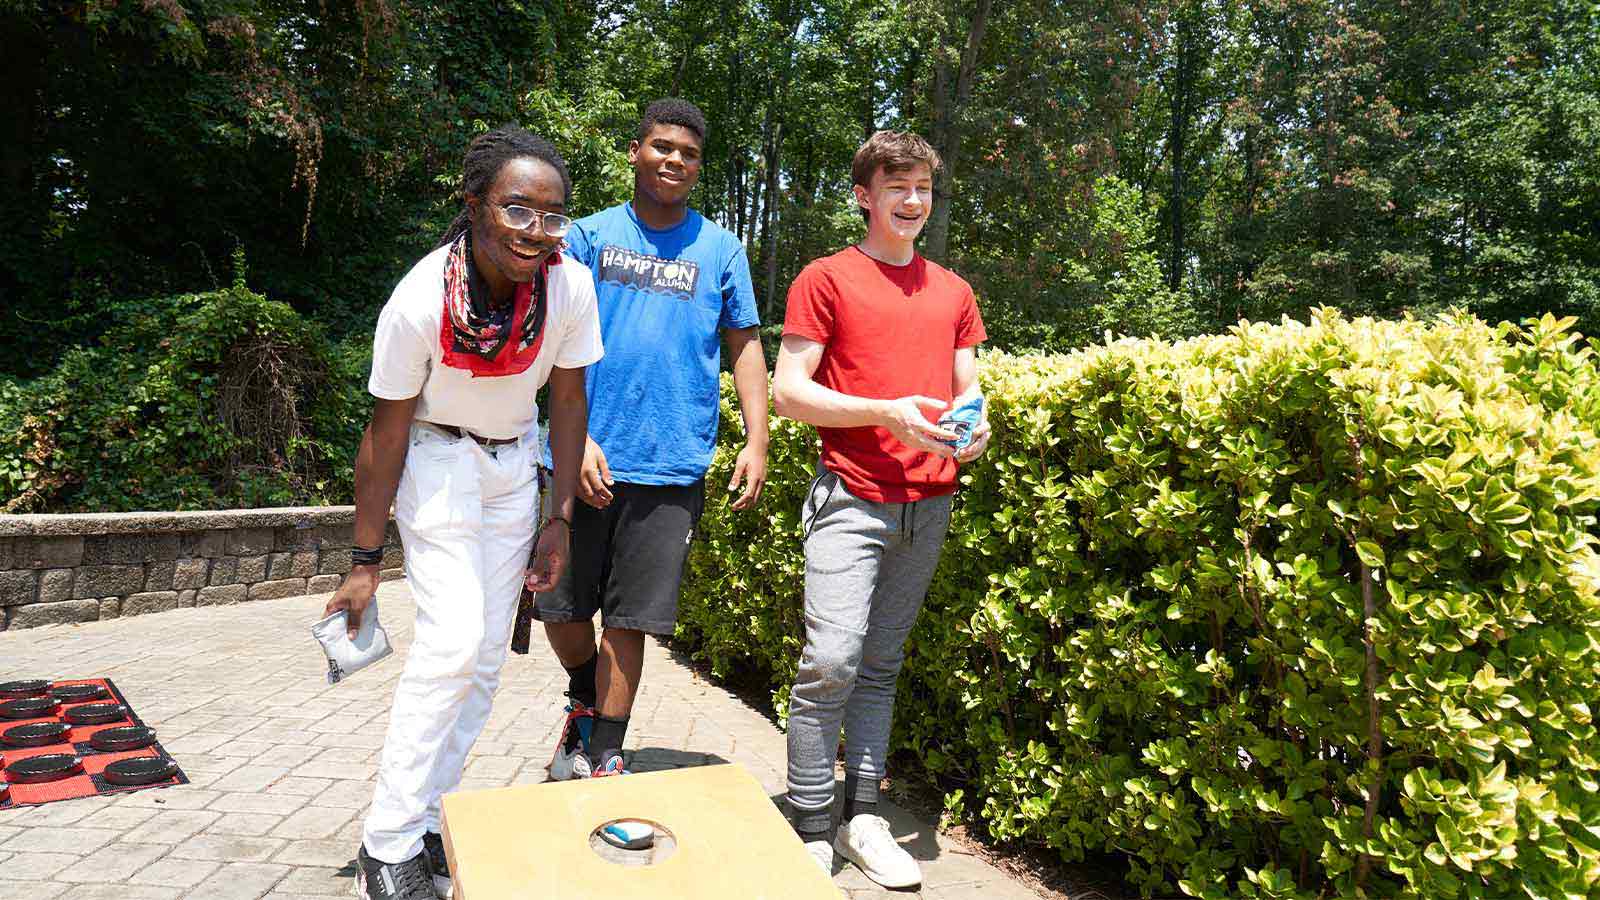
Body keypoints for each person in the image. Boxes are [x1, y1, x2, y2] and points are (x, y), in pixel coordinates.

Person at [325, 127, 602, 900]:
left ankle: (424, 826)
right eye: (518, 210)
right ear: (476, 203)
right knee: (448, 646)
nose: (536, 232)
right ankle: (384, 852)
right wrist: (364, 561)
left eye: (553, 217)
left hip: (515, 464)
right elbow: (383, 434)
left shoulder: (570, 288)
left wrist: (560, 518)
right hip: (436, 460)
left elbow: (570, 400)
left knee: (482, 662)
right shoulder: (419, 299)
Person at [771, 130, 991, 888]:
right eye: (897, 187)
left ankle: (861, 817)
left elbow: (968, 388)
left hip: (927, 506)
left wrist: (976, 426)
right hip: (851, 500)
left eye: (923, 188)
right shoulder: (826, 278)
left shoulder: (954, 291)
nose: (912, 201)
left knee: (880, 666)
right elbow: (789, 392)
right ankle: (808, 824)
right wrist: (882, 414)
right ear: (865, 196)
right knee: (831, 659)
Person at [533, 98, 769, 780]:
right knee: (560, 605)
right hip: (583, 458)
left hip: (671, 464)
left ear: (698, 167)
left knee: (630, 619)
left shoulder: (721, 249)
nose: (675, 160)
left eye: (689, 153)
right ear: (635, 151)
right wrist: (576, 440)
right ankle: (584, 695)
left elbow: (745, 344)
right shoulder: (587, 237)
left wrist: (757, 441)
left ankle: (606, 747)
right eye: (663, 146)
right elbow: (548, 337)